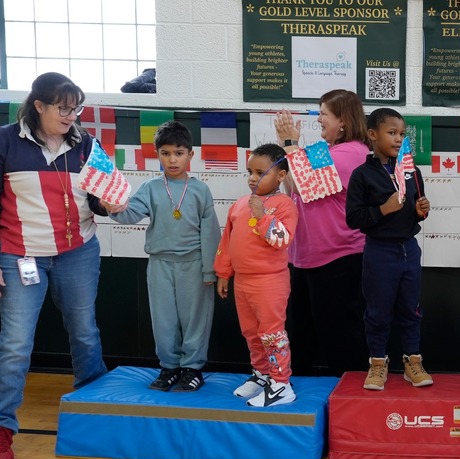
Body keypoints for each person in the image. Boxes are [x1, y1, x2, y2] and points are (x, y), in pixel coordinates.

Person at [0, 72, 118, 459]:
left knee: (85, 331)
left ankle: (92, 412)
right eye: (64, 108)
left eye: (77, 108)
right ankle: (0, 431)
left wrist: (111, 206)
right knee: (16, 343)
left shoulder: (86, 144)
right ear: (39, 106)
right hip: (18, 256)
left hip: (77, 252)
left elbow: (100, 200)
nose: (72, 116)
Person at [110, 121, 221, 392]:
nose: (172, 159)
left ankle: (192, 368)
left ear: (190, 155)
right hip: (160, 263)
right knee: (163, 318)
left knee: (195, 318)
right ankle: (169, 367)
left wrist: (210, 270)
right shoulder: (150, 187)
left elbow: (210, 233)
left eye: (179, 153)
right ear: (157, 154)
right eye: (166, 153)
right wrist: (113, 207)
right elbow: (130, 213)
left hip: (194, 264)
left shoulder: (200, 190)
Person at [275, 90, 368, 374]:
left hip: (338, 257)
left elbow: (308, 185)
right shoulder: (321, 150)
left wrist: (291, 144)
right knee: (301, 330)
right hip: (305, 256)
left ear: (343, 119)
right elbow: (294, 188)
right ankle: (294, 390)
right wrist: (289, 149)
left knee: (340, 333)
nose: (319, 120)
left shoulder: (353, 152)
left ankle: (350, 395)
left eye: (323, 114)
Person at [345, 108, 432, 390]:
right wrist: (384, 209)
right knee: (378, 311)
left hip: (409, 249)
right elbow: (354, 219)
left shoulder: (411, 170)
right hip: (379, 252)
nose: (398, 139)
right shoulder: (361, 175)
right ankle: (378, 364)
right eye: (391, 133)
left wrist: (421, 211)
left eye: (402, 134)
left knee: (411, 309)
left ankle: (412, 361)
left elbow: (415, 208)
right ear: (373, 135)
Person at [215, 144, 299, 408]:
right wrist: (223, 274)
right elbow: (226, 242)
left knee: (272, 333)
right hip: (243, 282)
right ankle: (262, 374)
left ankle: (281, 383)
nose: (252, 178)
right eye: (250, 171)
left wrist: (262, 216)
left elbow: (282, 239)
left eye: (260, 172)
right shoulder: (240, 205)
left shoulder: (284, 204)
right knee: (251, 332)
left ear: (281, 176)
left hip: (269, 282)